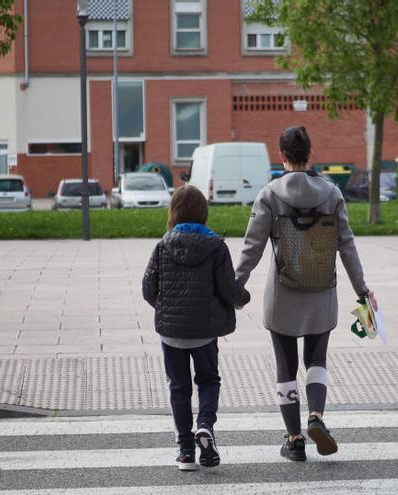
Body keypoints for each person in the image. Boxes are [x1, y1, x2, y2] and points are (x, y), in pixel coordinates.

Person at [235, 125, 377, 461]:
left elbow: (252, 249)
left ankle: (294, 440)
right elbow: (347, 246)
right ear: (309, 154)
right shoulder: (331, 193)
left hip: (283, 293)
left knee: (286, 365)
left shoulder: (269, 195)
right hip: (321, 291)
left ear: (281, 155)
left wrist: (232, 286)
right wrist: (363, 290)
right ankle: (317, 416)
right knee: (316, 359)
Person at [142, 185, 250, 471]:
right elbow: (229, 289)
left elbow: (147, 288)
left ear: (173, 213)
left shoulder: (163, 245)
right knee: (208, 380)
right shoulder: (216, 246)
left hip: (172, 334)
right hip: (204, 333)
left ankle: (186, 452)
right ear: (203, 212)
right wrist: (243, 299)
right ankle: (205, 426)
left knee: (178, 388)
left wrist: (168, 310)